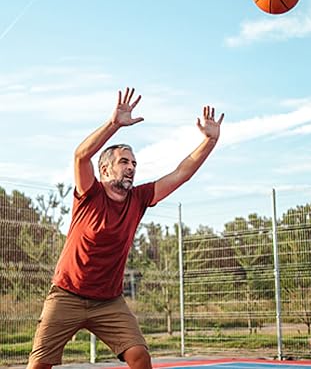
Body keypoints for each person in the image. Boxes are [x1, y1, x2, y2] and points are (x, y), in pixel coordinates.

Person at [28, 87, 224, 369]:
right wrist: (114, 124)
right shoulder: (89, 193)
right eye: (124, 162)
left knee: (139, 356)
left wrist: (209, 141)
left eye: (134, 163)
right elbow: (81, 156)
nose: (131, 167)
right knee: (39, 365)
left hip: (109, 302)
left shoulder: (139, 198)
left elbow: (182, 173)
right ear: (106, 169)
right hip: (67, 295)